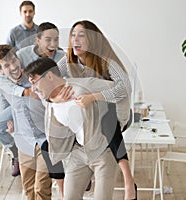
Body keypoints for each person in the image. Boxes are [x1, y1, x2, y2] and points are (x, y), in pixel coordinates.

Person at [57, 20, 136, 200]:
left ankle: (127, 177)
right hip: (89, 121)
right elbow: (52, 77)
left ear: (92, 39)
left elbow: (123, 88)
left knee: (104, 116)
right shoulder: (69, 60)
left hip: (115, 112)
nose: (75, 39)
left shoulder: (106, 61)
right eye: (73, 35)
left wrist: (93, 96)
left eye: (81, 35)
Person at [25, 57, 121, 200]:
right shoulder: (50, 100)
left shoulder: (82, 87)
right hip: (79, 152)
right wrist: (54, 100)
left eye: (34, 82)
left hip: (103, 152)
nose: (33, 88)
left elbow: (120, 90)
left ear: (50, 76)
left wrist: (93, 97)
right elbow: (50, 107)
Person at [0, 45, 53, 200]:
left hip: (46, 139)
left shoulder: (35, 76)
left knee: (41, 188)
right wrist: (10, 125)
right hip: (24, 141)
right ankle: (15, 156)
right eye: (6, 65)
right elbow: (4, 102)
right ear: (0, 70)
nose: (13, 66)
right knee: (29, 189)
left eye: (13, 60)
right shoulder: (2, 83)